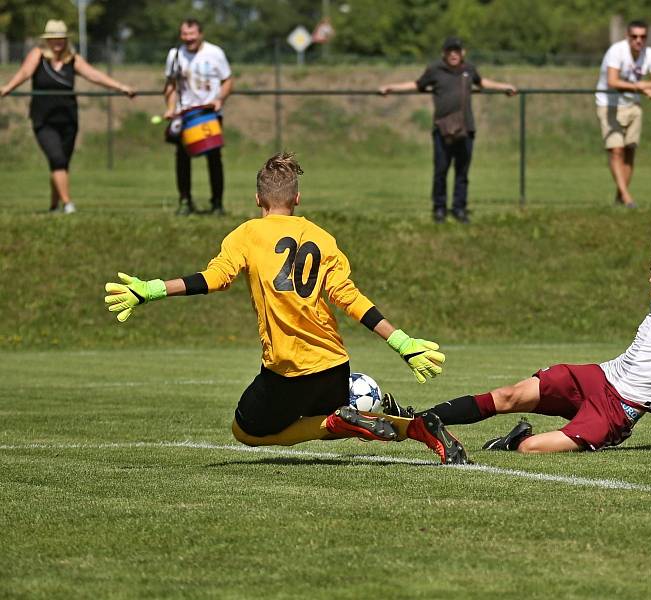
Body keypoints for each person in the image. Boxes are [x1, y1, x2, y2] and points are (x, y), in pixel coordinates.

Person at [103, 152, 468, 465]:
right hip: (334, 367)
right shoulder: (322, 238)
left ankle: (341, 422)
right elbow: (350, 298)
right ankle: (421, 428)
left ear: (258, 199)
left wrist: (152, 289)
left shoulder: (245, 234)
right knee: (322, 414)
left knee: (246, 431)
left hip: (288, 371)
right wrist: (403, 343)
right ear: (297, 198)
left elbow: (213, 279)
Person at [383, 236, 651, 454]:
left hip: (620, 408)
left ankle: (516, 439)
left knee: (532, 449)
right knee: (509, 395)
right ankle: (418, 418)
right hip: (599, 377)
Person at [0, 19, 135, 214]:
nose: (57, 42)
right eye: (53, 38)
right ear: (46, 40)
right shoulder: (38, 56)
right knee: (57, 158)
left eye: (61, 38)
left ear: (65, 40)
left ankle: (54, 206)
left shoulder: (72, 59)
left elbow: (94, 75)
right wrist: (7, 88)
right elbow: (24, 72)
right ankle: (68, 204)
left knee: (61, 162)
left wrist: (121, 87)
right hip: (43, 119)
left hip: (68, 120)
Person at [379, 37, 517, 224]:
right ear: (444, 53)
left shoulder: (469, 69)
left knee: (462, 172)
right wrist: (391, 88)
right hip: (442, 130)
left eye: (457, 51)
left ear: (463, 53)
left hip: (466, 129)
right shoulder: (435, 70)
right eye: (450, 51)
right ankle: (439, 209)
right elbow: (416, 85)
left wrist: (505, 87)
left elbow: (483, 83)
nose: (453, 54)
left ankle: (459, 209)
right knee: (441, 171)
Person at [163, 18, 233, 216]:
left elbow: (227, 80)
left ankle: (217, 203)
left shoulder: (214, 53)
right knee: (182, 159)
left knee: (214, 158)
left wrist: (220, 99)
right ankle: (185, 201)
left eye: (192, 34)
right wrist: (170, 107)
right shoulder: (175, 55)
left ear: (200, 34)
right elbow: (171, 85)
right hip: (185, 115)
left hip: (209, 114)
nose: (188, 39)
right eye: (184, 34)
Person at [595, 20, 651, 208]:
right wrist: (640, 87)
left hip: (633, 105)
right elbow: (612, 81)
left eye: (643, 37)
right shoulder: (616, 51)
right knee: (616, 150)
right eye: (634, 36)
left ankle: (620, 197)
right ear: (627, 37)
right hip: (609, 104)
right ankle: (627, 198)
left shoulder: (650, 54)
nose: (638, 41)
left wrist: (644, 86)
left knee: (630, 151)